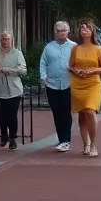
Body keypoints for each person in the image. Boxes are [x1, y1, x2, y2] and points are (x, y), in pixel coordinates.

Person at [69, 19, 101, 157]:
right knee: (82, 114)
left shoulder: (98, 48)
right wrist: (77, 71)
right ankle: (85, 144)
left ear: (92, 31)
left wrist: (93, 71)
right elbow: (70, 66)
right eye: (82, 28)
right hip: (78, 83)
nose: (84, 30)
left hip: (93, 83)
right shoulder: (75, 48)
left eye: (87, 28)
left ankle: (93, 145)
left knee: (90, 111)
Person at [39, 21, 76, 151]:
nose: (61, 33)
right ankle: (62, 139)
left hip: (68, 84)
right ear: (55, 32)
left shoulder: (74, 47)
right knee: (56, 112)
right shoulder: (49, 47)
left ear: (68, 31)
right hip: (52, 85)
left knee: (66, 112)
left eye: (64, 30)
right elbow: (43, 63)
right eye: (59, 30)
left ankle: (66, 140)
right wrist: (43, 77)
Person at [0, 32, 27, 150]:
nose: (5, 41)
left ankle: (12, 138)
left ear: (11, 40)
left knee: (12, 115)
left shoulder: (17, 53)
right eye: (3, 39)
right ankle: (4, 136)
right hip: (0, 88)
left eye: (7, 39)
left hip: (14, 89)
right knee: (2, 115)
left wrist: (11, 71)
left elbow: (23, 70)